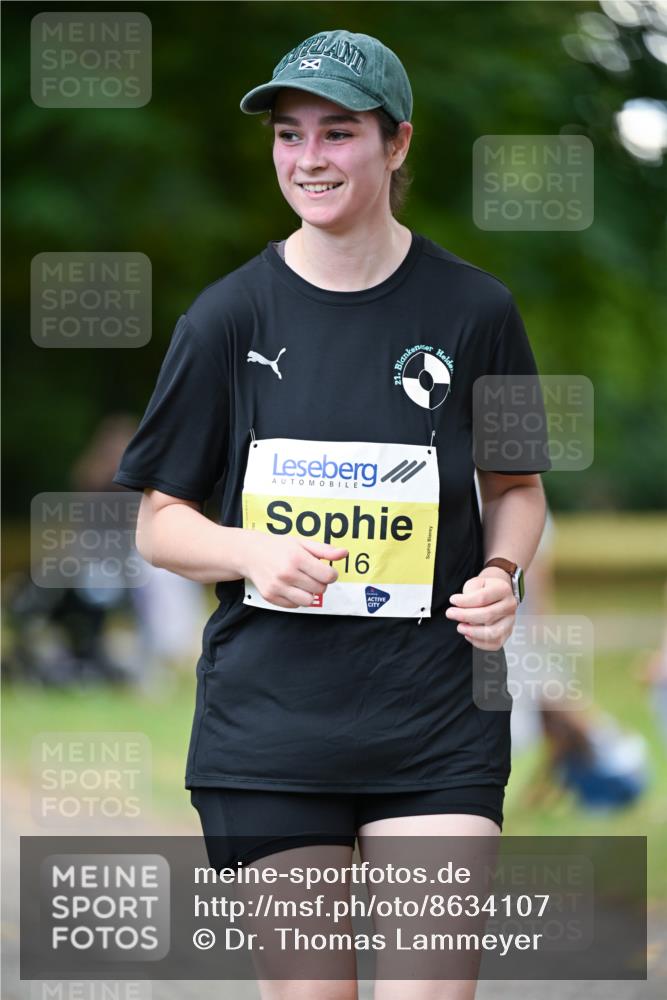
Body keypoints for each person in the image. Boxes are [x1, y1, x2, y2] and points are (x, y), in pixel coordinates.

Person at [113, 28, 549, 999]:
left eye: (337, 132)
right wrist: (249, 551)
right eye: (289, 134)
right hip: (270, 733)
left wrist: (501, 573)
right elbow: (158, 520)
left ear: (396, 143)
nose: (308, 157)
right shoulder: (224, 318)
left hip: (435, 724)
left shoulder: (480, 311)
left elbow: (516, 489)